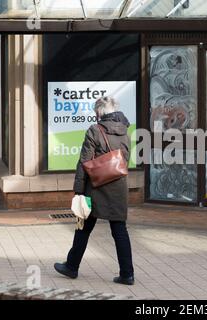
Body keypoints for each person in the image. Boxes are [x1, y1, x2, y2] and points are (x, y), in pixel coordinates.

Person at [54, 96, 134, 285]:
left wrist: (79, 191)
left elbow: (84, 163)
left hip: (96, 188)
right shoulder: (125, 131)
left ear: (99, 112)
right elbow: (125, 159)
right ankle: (127, 274)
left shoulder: (94, 130)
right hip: (119, 187)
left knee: (83, 227)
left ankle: (72, 267)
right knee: (120, 230)